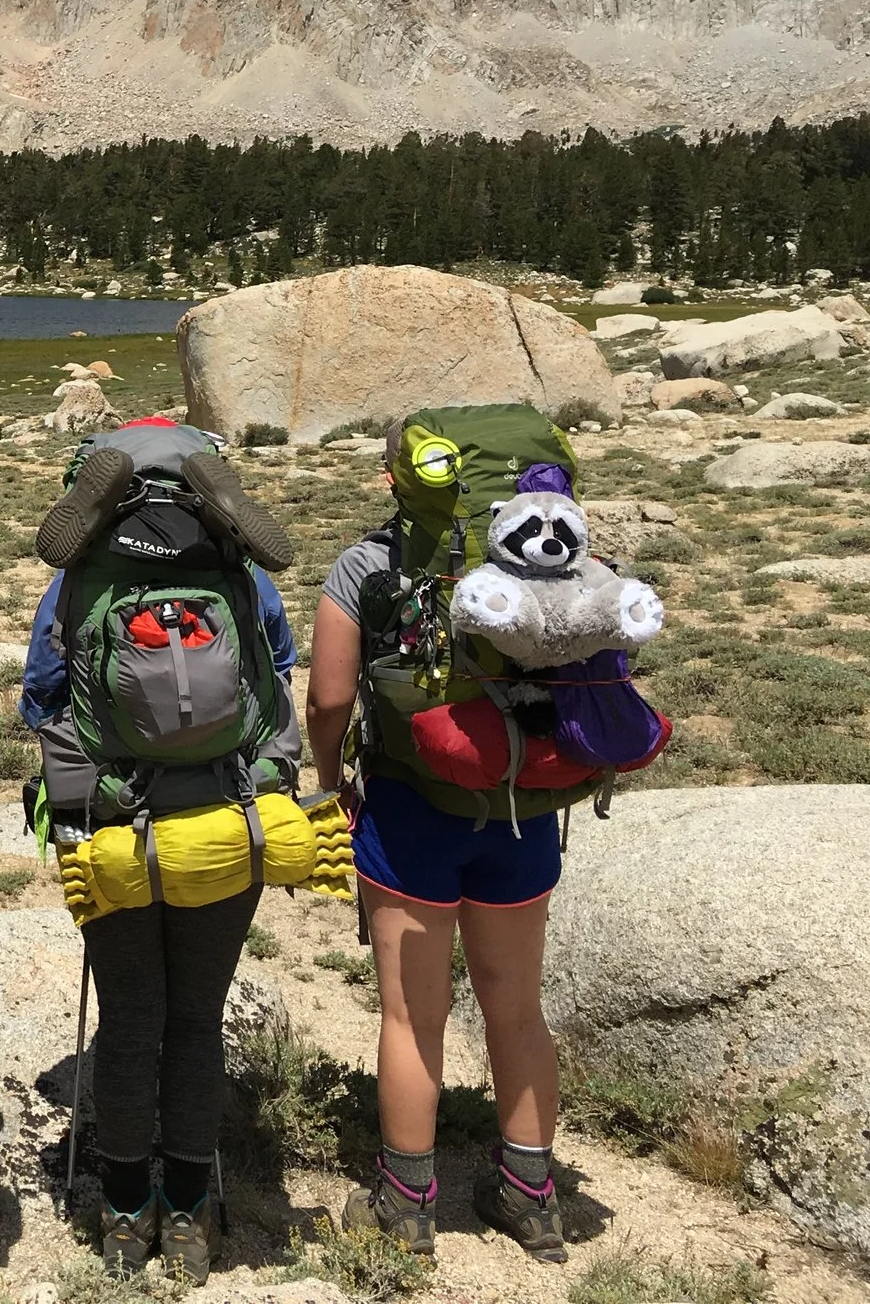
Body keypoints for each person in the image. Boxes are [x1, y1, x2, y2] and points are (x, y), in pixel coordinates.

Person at [19, 552, 301, 1283]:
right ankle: (185, 1217)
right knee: (197, 1017)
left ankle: (120, 1217)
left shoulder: (79, 576)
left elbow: (40, 699)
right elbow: (280, 675)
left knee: (129, 1014)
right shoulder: (240, 570)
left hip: (111, 827)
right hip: (224, 819)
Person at [306, 503, 569, 1266]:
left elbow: (328, 698)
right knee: (518, 1008)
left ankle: (406, 1203)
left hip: (411, 810)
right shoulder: (537, 558)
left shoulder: (364, 564)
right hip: (522, 807)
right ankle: (530, 1193)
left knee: (413, 1014)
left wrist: (330, 782)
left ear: (398, 474)